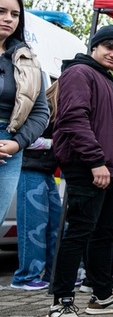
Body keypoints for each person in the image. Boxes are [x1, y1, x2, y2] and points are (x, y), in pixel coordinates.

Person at [46, 25, 113, 317]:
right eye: (109, 47)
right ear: (94, 46)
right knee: (79, 232)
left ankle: (101, 296)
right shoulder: (79, 73)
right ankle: (61, 302)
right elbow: (73, 119)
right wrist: (95, 161)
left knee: (105, 233)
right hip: (89, 167)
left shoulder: (111, 80)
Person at [0, 0, 48, 317]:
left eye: (14, 14)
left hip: (9, 151)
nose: (8, 19)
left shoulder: (27, 58)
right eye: (2, 11)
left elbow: (41, 111)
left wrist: (16, 143)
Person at [12, 83, 60, 292]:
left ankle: (51, 273)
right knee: (34, 226)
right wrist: (54, 143)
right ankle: (25, 277)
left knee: (55, 223)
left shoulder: (55, 109)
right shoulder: (42, 108)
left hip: (45, 170)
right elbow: (20, 139)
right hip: (29, 169)